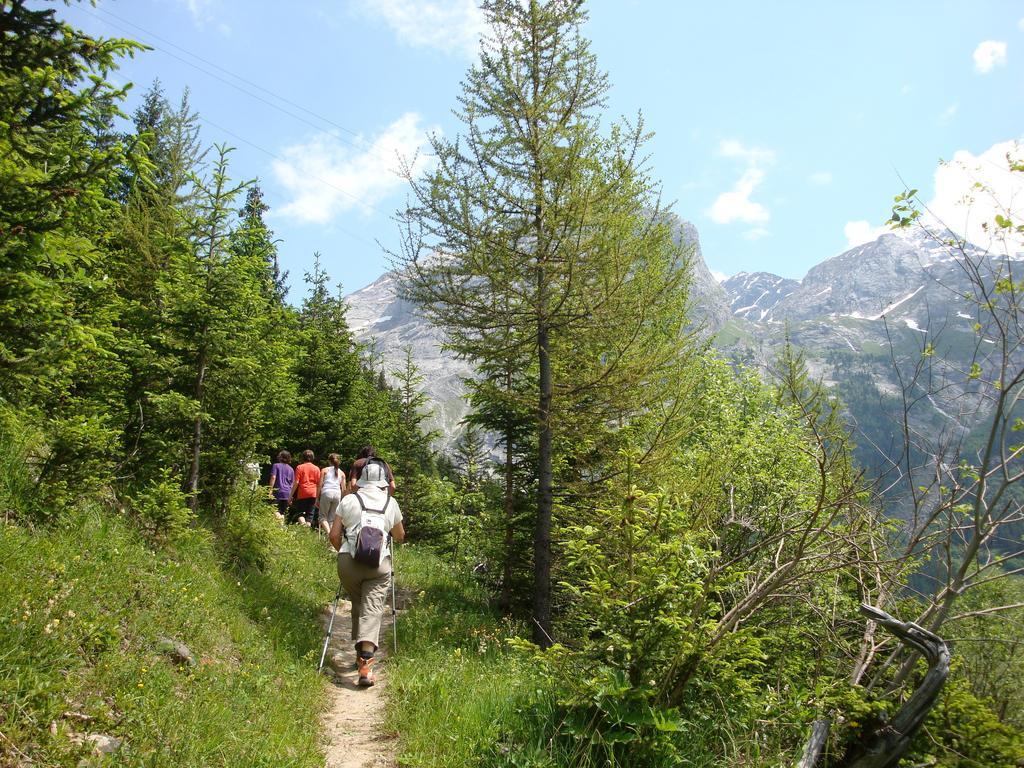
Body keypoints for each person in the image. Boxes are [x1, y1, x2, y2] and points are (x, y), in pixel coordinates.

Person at [329, 458, 404, 686]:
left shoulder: (349, 499)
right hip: (378, 565)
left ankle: (358, 652)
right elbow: (400, 536)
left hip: (348, 563)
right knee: (372, 608)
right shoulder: (390, 503)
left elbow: (334, 535)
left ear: (361, 481)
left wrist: (344, 550)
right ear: (382, 482)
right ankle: (366, 663)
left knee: (359, 604)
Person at [289, 449, 321, 526]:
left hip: (303, 493)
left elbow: (296, 482)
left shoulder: (299, 467)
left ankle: (303, 526)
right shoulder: (316, 468)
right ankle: (306, 530)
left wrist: (290, 495)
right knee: (309, 516)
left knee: (299, 514)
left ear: (303, 457)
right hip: (313, 493)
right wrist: (317, 497)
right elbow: (318, 484)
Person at [317, 453, 346, 537]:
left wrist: (317, 498)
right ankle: (331, 544)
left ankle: (330, 535)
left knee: (322, 517)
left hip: (326, 492)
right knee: (331, 520)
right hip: (337, 494)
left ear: (329, 461)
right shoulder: (342, 473)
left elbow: (320, 485)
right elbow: (343, 489)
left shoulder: (325, 470)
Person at [267, 450, 295, 520]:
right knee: (282, 512)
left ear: (280, 457)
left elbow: (273, 477)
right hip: (287, 493)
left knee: (274, 510)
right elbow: (292, 484)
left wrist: (270, 490)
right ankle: (281, 529)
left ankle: (280, 526)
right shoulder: (291, 469)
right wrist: (291, 496)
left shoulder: (276, 465)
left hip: (278, 492)